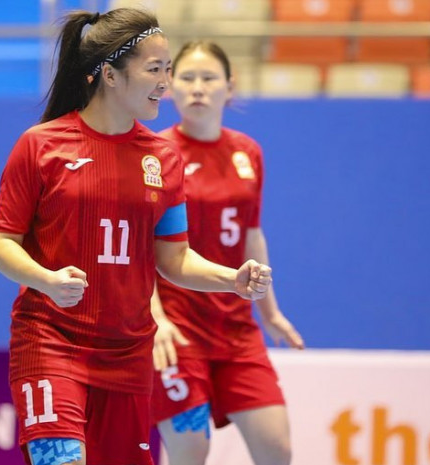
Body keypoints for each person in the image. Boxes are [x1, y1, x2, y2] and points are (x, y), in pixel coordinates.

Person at [0, 10, 272, 465]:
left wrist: (231, 278)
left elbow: (174, 259)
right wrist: (46, 279)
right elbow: (1, 242)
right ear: (110, 75)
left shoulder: (164, 158)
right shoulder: (40, 146)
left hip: (128, 354)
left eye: (167, 69)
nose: (166, 82)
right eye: (154, 69)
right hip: (51, 342)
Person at [149, 40, 305, 465]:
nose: (198, 87)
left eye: (208, 77)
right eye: (187, 77)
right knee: (190, 451)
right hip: (177, 329)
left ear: (229, 88)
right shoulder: (154, 154)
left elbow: (252, 236)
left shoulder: (247, 152)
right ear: (169, 87)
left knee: (278, 449)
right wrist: (156, 319)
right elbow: (140, 246)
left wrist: (270, 312)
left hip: (236, 329)